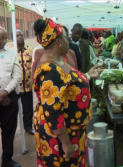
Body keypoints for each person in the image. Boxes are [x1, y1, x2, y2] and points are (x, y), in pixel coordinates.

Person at [33, 18, 102, 167]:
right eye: (65, 37)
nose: (68, 41)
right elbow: (52, 110)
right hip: (60, 136)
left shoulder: (58, 61)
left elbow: (69, 85)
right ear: (58, 41)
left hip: (73, 130)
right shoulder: (50, 70)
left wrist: (87, 75)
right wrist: (65, 143)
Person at [0, 27, 22, 167]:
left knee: (9, 130)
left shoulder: (12, 53)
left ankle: (6, 160)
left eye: (4, 37)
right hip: (3, 97)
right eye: (0, 38)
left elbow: (17, 75)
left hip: (8, 98)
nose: (2, 40)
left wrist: (5, 92)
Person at [9, 30, 35, 135]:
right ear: (13, 38)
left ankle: (28, 127)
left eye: (21, 35)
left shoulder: (30, 50)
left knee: (28, 109)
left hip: (28, 86)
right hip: (14, 88)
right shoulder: (10, 51)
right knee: (12, 111)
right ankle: (12, 131)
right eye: (17, 35)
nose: (20, 37)